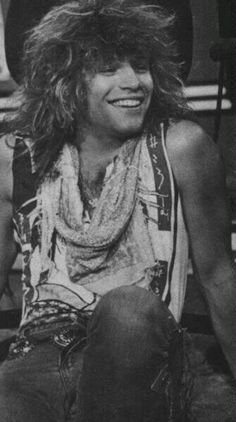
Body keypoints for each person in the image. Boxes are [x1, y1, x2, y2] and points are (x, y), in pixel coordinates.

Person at [0, 1, 235, 421]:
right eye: (108, 69)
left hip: (143, 350)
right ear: (65, 81)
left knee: (127, 308)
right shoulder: (15, 156)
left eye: (141, 66)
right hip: (42, 353)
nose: (134, 82)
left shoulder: (181, 146)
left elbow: (219, 276)